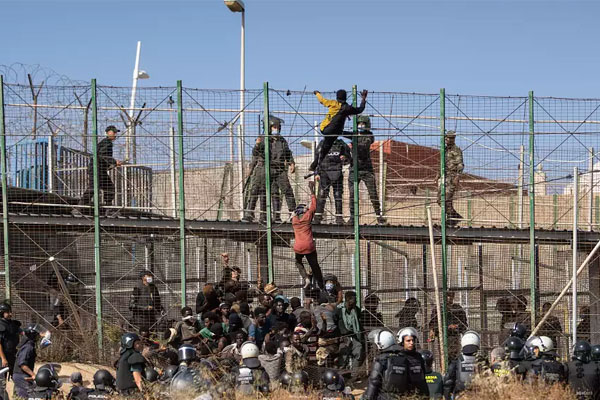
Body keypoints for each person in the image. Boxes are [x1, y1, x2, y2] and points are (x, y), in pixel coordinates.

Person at [343, 115, 385, 224]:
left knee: (373, 193)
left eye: (363, 124)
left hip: (367, 169)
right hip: (354, 169)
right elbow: (342, 132)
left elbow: (363, 147)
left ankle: (378, 215)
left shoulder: (369, 136)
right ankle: (352, 218)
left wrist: (353, 142)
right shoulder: (353, 135)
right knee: (352, 194)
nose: (361, 126)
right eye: (359, 124)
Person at [313, 89, 367, 171]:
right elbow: (360, 109)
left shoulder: (333, 103)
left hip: (325, 129)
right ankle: (316, 164)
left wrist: (317, 93)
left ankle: (315, 164)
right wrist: (363, 99)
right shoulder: (348, 108)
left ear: (337, 97)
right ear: (345, 98)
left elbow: (322, 100)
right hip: (336, 131)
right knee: (327, 146)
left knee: (326, 147)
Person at [78, 125, 123, 214]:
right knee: (94, 188)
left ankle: (108, 208)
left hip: (100, 169)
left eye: (115, 132)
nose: (115, 134)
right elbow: (103, 155)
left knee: (108, 187)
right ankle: (79, 207)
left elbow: (102, 157)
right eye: (113, 132)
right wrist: (114, 162)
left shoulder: (106, 142)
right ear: (107, 133)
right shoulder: (107, 143)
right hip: (97, 170)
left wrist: (110, 165)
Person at [310, 138, 351, 224]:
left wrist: (344, 158)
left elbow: (348, 157)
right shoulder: (322, 143)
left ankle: (339, 218)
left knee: (338, 196)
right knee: (321, 196)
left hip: (337, 173)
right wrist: (316, 172)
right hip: (324, 173)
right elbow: (317, 159)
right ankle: (317, 217)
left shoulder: (341, 144)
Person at [292, 181, 324, 289]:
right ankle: (321, 285)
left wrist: (295, 213)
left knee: (298, 262)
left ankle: (305, 278)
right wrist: (312, 191)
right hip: (308, 246)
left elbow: (295, 213)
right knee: (315, 266)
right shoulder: (308, 217)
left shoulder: (294, 220)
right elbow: (314, 206)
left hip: (298, 247)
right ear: (304, 210)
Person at [267, 115, 297, 223]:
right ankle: (276, 216)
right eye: (274, 127)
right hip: (269, 169)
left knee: (288, 191)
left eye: (278, 127)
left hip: (280, 169)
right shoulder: (266, 140)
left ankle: (293, 214)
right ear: (269, 127)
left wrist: (291, 163)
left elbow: (287, 153)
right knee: (274, 193)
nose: (276, 129)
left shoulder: (282, 140)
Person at [363, 329, 407, 399]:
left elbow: (374, 382)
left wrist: (367, 398)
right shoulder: (404, 358)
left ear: (381, 344)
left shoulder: (381, 360)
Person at [443, 330, 485, 399]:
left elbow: (448, 382)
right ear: (477, 343)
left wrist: (447, 397)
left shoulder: (458, 360)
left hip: (461, 395)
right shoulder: (482, 361)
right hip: (478, 395)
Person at [429, 291, 468, 359]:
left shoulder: (458, 308)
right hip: (442, 337)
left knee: (454, 357)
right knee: (443, 356)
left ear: (453, 297)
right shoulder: (438, 308)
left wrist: (456, 326)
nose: (449, 298)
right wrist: (433, 331)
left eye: (451, 296)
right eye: (447, 295)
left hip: (454, 337)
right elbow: (433, 324)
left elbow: (464, 324)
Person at [437, 130, 463, 226]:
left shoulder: (456, 150)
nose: (447, 139)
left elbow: (460, 164)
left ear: (452, 139)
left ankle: (452, 218)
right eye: (446, 138)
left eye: (448, 138)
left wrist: (457, 176)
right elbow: (442, 163)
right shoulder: (444, 149)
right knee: (439, 200)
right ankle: (453, 216)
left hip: (451, 177)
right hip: (444, 176)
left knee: (446, 199)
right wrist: (438, 174)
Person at [335, 291, 365, 369]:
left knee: (358, 350)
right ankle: (342, 373)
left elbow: (358, 323)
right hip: (343, 337)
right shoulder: (339, 310)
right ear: (348, 300)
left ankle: (354, 374)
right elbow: (334, 323)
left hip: (354, 335)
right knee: (344, 354)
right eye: (354, 300)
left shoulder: (357, 310)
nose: (356, 302)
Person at [13, 323, 44, 399]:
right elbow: (22, 364)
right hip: (21, 375)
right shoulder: (28, 347)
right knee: (27, 396)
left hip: (21, 375)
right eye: (37, 334)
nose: (39, 336)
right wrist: (33, 374)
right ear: (33, 335)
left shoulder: (29, 345)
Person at [397, 327, 429, 397]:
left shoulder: (418, 357)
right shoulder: (398, 357)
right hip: (405, 394)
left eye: (413, 340)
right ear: (402, 342)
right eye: (408, 341)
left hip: (419, 393)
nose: (411, 343)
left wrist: (426, 394)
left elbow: (423, 377)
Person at [243, 136, 268, 223]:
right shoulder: (257, 149)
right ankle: (250, 213)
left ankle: (263, 215)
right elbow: (254, 159)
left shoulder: (265, 146)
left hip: (265, 171)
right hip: (258, 171)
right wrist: (250, 170)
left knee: (263, 194)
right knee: (254, 192)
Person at [0, 302, 21, 378]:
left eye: (10, 312)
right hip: (3, 356)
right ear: (2, 313)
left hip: (13, 355)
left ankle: (18, 390)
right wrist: (3, 358)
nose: (10, 314)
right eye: (8, 312)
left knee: (18, 377)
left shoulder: (13, 324)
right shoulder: (1, 325)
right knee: (2, 379)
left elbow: (23, 333)